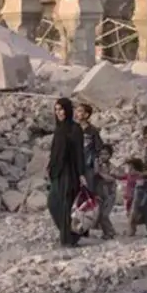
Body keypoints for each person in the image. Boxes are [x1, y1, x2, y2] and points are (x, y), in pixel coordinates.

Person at [47, 98, 88, 247]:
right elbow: (55, 152)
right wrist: (50, 167)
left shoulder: (75, 129)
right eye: (56, 109)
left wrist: (81, 173)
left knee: (66, 205)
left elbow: (79, 152)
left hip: (70, 172)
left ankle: (68, 239)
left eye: (61, 109)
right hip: (57, 171)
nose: (59, 112)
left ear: (68, 110)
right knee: (53, 203)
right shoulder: (59, 128)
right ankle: (70, 233)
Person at [75, 103, 103, 237]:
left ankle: (86, 227)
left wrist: (97, 165)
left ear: (86, 115)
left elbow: (99, 149)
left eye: (80, 111)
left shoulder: (93, 131)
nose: (77, 113)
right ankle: (75, 223)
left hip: (88, 167)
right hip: (75, 167)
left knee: (88, 196)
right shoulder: (73, 129)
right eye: (77, 111)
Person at [94, 144, 118, 240]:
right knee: (100, 215)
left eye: (106, 154)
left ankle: (110, 232)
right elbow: (95, 173)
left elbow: (111, 178)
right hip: (101, 193)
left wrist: (100, 173)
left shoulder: (111, 167)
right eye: (101, 154)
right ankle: (107, 232)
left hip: (110, 194)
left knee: (104, 215)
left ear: (110, 155)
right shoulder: (99, 165)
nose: (103, 156)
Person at [120, 158, 144, 236]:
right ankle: (132, 230)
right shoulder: (129, 175)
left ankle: (130, 231)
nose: (130, 170)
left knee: (132, 215)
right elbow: (121, 176)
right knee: (129, 214)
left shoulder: (138, 176)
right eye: (129, 167)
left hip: (135, 199)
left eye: (132, 168)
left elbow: (141, 185)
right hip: (129, 198)